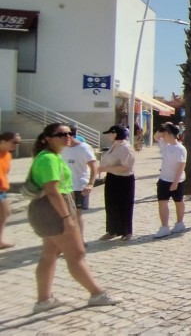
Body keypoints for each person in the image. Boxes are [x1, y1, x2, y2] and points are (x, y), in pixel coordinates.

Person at [27, 123, 120, 313]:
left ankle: (44, 300)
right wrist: (67, 218)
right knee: (76, 254)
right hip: (54, 209)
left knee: (49, 254)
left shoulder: (52, 156)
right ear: (48, 138)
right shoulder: (48, 159)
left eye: (69, 133)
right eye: (60, 134)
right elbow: (53, 191)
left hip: (50, 208)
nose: (66, 136)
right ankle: (97, 294)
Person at [97, 126, 135, 241]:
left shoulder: (125, 148)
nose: (109, 135)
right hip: (112, 177)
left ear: (115, 134)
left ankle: (126, 231)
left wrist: (106, 168)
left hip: (124, 180)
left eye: (110, 133)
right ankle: (112, 230)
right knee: (111, 204)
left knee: (124, 205)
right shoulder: (115, 145)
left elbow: (127, 167)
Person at [61, 127, 98, 237]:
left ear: (70, 135)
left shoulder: (84, 148)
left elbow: (94, 166)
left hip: (79, 186)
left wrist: (91, 183)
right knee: (65, 214)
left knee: (77, 214)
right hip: (64, 186)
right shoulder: (62, 148)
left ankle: (79, 239)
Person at [155, 123, 187, 238]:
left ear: (170, 134)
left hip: (177, 180)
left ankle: (180, 222)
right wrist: (163, 128)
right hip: (163, 178)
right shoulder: (165, 145)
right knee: (162, 202)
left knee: (178, 201)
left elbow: (181, 166)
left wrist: (175, 182)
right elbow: (156, 136)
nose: (162, 135)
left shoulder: (180, 148)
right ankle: (164, 226)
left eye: (165, 133)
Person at [0, 132, 20, 249]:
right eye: (14, 142)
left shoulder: (7, 155)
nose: (16, 145)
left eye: (18, 143)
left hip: (2, 189)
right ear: (3, 141)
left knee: (5, 212)